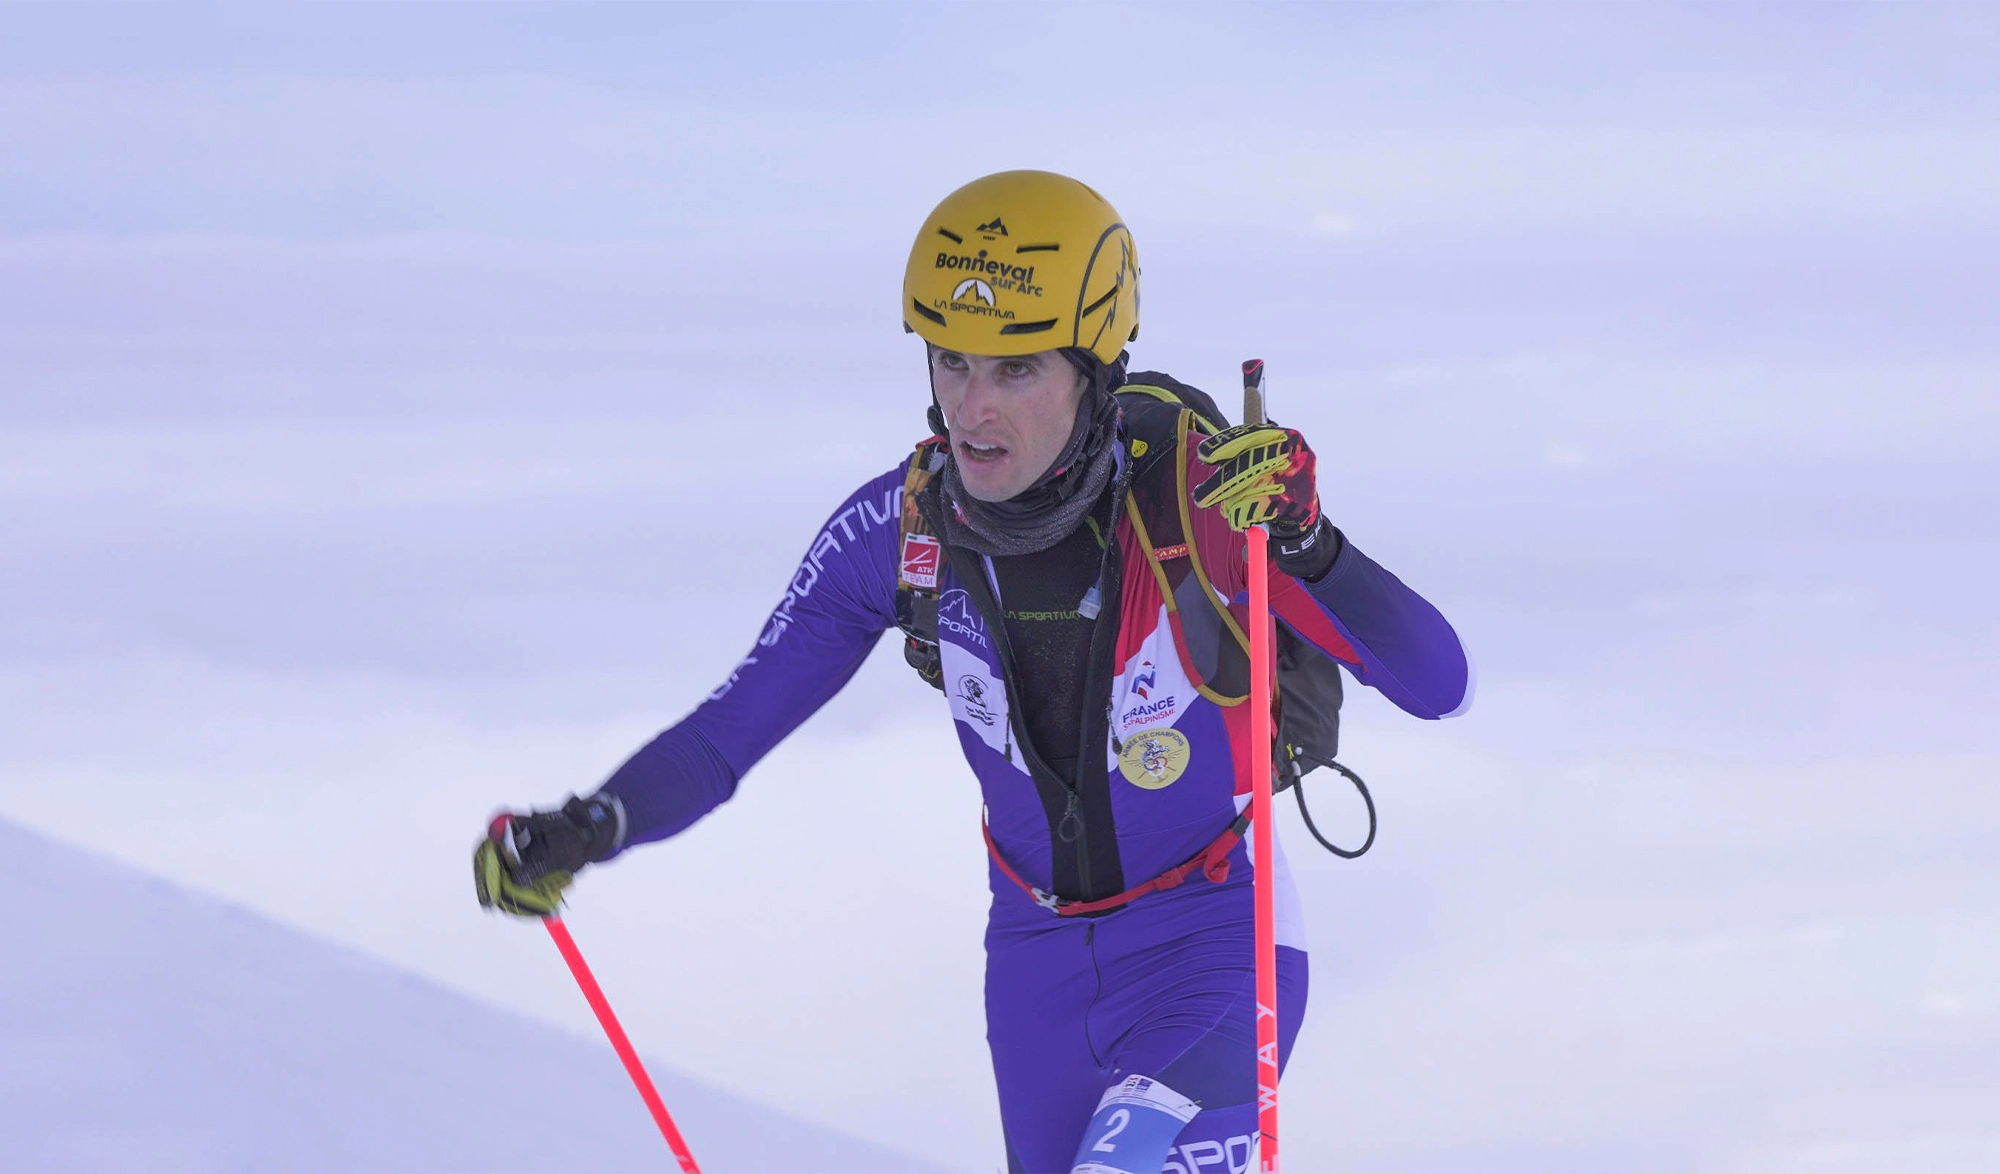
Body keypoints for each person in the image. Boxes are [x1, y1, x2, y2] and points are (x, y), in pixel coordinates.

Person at [473, 170, 1472, 1174]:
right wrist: (592, 824)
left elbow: (1439, 682)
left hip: (1207, 946)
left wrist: (1304, 544)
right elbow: (729, 730)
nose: (971, 406)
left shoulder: (1201, 498)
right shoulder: (899, 531)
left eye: (1016, 368)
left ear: (1094, 371)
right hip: (1034, 973)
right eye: (950, 362)